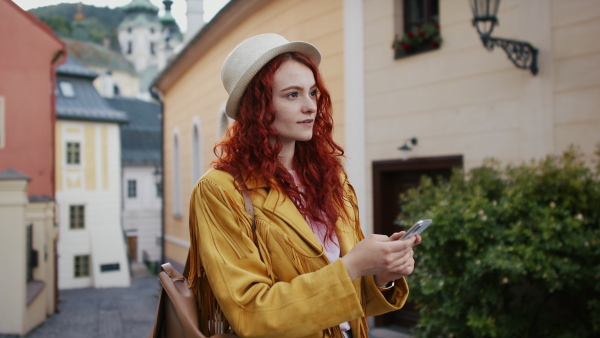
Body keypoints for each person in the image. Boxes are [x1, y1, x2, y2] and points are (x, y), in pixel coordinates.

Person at [187, 33, 421, 338]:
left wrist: (380, 275)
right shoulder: (220, 190)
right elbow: (252, 315)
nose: (310, 106)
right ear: (256, 106)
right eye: (292, 95)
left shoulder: (330, 178)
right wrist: (351, 265)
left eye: (313, 92)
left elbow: (350, 303)